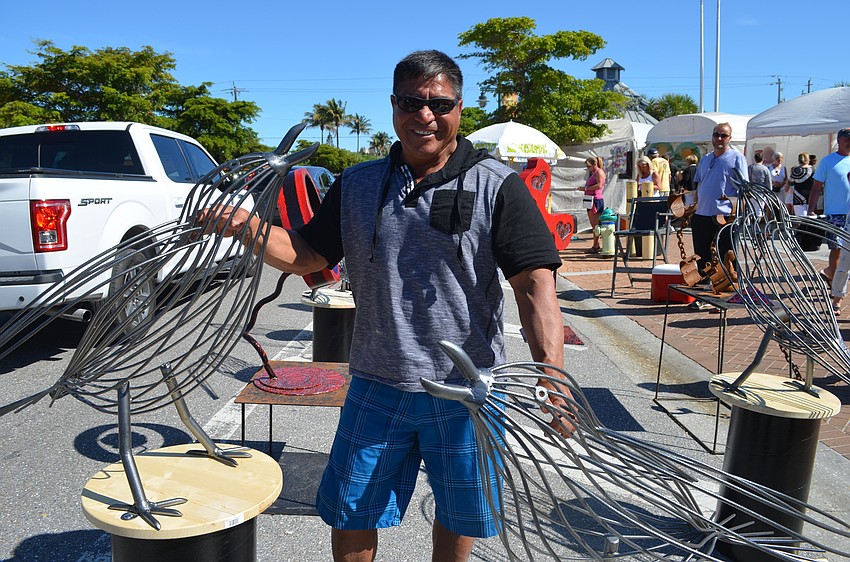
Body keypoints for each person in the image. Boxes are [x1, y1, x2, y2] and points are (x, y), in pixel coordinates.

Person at [204, 49, 573, 562]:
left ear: (459, 108)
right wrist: (245, 225)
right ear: (394, 106)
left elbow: (535, 286)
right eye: (411, 102)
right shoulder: (357, 184)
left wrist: (552, 375)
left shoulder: (497, 185)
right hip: (378, 381)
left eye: (439, 104)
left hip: (469, 389)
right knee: (351, 508)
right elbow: (305, 254)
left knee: (458, 510)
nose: (425, 116)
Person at [688, 122, 748, 311]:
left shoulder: (737, 158)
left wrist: (739, 213)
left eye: (724, 135)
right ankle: (705, 295)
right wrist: (693, 209)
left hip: (724, 215)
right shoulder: (705, 159)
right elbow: (699, 185)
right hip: (702, 214)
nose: (719, 139)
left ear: (730, 138)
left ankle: (726, 294)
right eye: (716, 135)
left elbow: (744, 189)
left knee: (726, 255)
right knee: (702, 255)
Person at [807, 128, 850, 308]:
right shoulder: (828, 161)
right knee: (837, 249)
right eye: (846, 138)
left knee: (844, 254)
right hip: (835, 213)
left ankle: (831, 276)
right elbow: (817, 187)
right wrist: (811, 209)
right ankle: (834, 284)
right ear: (839, 140)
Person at [581, 156, 606, 253]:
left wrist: (586, 189)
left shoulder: (599, 172)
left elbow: (599, 185)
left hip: (595, 199)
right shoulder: (593, 173)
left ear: (594, 164)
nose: (588, 168)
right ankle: (596, 244)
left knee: (596, 225)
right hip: (590, 199)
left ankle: (596, 246)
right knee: (593, 224)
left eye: (589, 166)